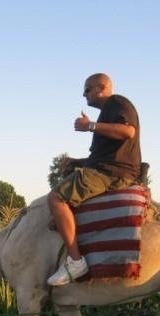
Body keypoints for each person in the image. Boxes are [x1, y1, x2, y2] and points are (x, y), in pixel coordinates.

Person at [47, 73, 141, 286]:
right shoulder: (108, 111)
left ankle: (75, 261)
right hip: (107, 169)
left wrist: (89, 126)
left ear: (102, 87)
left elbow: (128, 131)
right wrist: (76, 162)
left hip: (113, 174)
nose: (83, 94)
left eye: (87, 89)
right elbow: (105, 155)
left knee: (56, 199)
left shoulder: (117, 102)